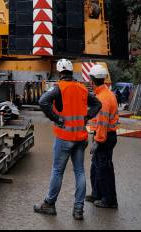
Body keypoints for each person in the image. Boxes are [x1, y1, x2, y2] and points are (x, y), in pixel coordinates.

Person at [35, 59, 101, 221]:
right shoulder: (82, 88)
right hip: (80, 137)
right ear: (71, 72)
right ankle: (78, 210)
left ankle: (49, 204)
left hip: (64, 137)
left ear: (59, 72)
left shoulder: (59, 88)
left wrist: (56, 118)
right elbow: (97, 104)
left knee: (58, 171)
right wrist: (87, 117)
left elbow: (42, 102)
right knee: (80, 172)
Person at [85, 64, 119, 209]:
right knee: (96, 167)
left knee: (104, 168)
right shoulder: (103, 94)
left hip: (104, 137)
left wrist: (97, 141)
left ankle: (109, 200)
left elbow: (103, 123)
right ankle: (97, 194)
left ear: (92, 81)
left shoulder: (103, 98)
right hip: (104, 136)